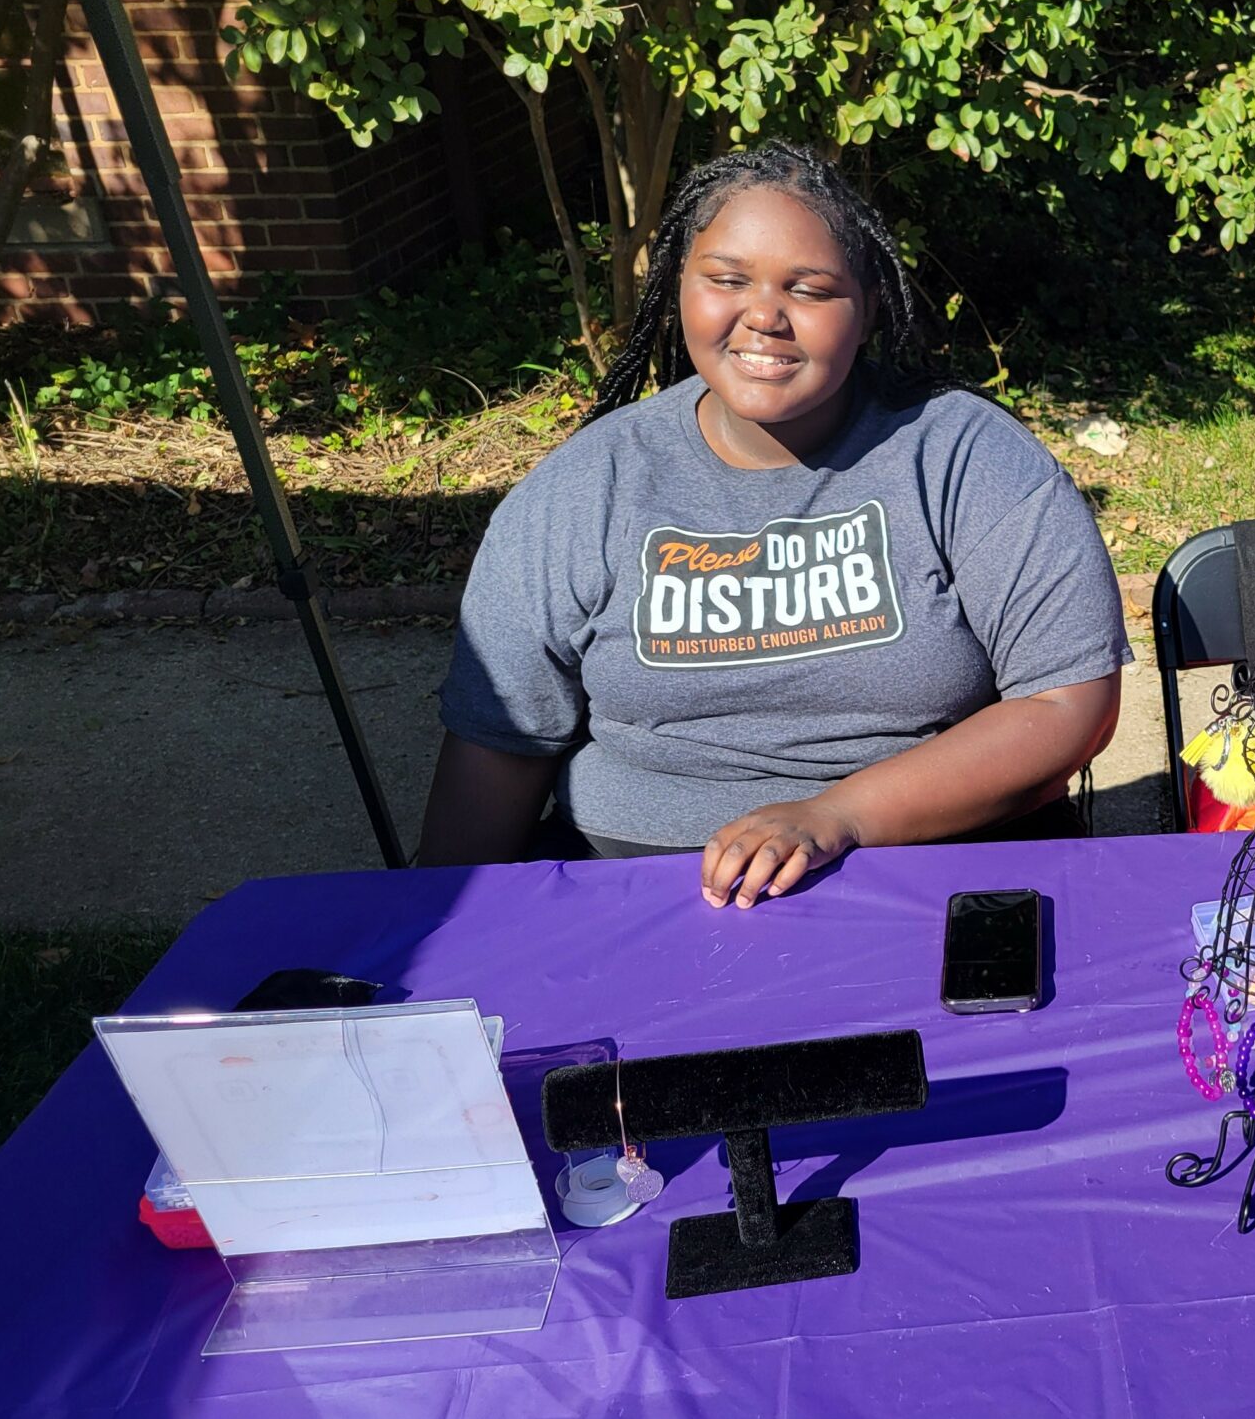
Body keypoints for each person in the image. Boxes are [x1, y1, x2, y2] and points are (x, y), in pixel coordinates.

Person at [417, 142, 1129, 909]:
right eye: (726, 279)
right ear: (676, 288)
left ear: (870, 306)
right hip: (636, 896)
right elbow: (501, 744)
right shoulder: (587, 487)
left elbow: (1068, 706)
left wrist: (835, 817)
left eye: (811, 289)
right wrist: (425, 940)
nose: (763, 315)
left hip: (936, 879)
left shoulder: (965, 458)